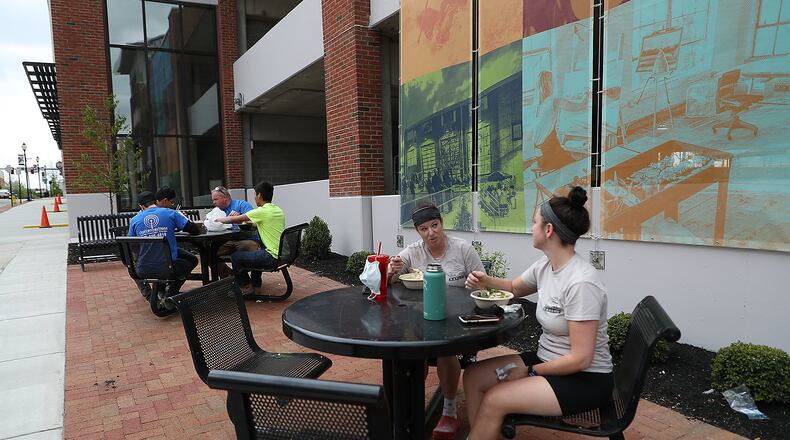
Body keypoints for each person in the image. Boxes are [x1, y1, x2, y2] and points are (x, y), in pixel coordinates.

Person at [462, 186, 613, 439]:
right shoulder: (546, 265)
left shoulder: (580, 282)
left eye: (535, 223)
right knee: (473, 376)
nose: (532, 228)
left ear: (548, 230)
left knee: (495, 399)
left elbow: (580, 359)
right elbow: (513, 288)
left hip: (584, 379)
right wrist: (485, 280)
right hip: (548, 360)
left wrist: (531, 372)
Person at [388, 203, 485, 439]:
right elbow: (390, 280)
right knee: (412, 351)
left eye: (434, 225)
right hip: (421, 316)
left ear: (442, 223)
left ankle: (449, 409)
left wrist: (476, 283)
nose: (431, 232)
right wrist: (393, 270)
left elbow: (483, 283)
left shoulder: (462, 249)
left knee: (445, 351)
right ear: (418, 231)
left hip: (456, 319)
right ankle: (409, 407)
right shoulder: (413, 252)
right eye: (424, 228)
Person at [128, 191, 202, 300]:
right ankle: (171, 294)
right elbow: (194, 230)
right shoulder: (170, 213)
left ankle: (161, 292)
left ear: (141, 206)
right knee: (190, 261)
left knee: (171, 258)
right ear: (155, 202)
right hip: (167, 267)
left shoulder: (134, 220)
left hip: (142, 268)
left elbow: (133, 246)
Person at [215, 182, 284, 295]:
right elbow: (255, 223)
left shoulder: (261, 211)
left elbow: (233, 220)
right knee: (255, 251)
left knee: (236, 256)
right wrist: (244, 221)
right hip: (281, 254)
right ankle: (256, 286)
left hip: (271, 256)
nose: (255, 198)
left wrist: (216, 220)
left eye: (255, 195)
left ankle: (245, 287)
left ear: (259, 195)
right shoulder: (277, 210)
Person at [210, 185, 261, 281]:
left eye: (215, 199)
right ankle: (230, 277)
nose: (214, 202)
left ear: (225, 198)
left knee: (249, 251)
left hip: (247, 240)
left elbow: (254, 223)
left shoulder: (242, 205)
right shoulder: (216, 211)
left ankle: (250, 282)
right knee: (209, 254)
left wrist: (240, 218)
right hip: (227, 241)